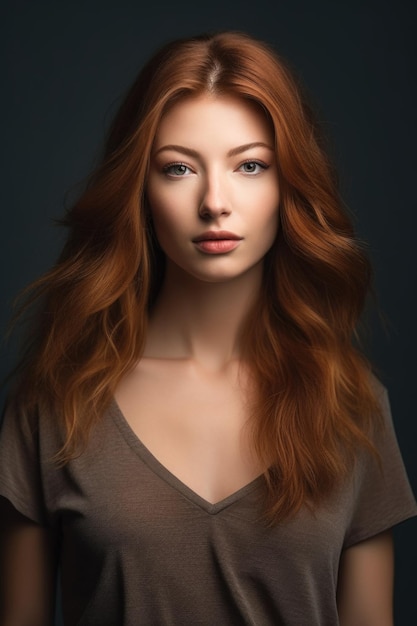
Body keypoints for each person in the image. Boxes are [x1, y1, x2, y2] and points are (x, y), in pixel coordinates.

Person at [0, 31, 416, 626]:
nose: (214, 201)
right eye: (177, 169)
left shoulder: (351, 405)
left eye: (249, 165)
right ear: (139, 191)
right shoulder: (54, 405)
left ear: (286, 186)